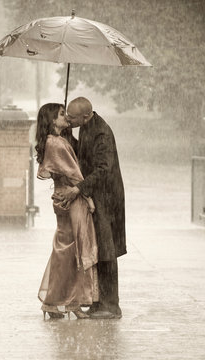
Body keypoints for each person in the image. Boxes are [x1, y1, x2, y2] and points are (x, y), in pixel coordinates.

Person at [59, 97, 126, 319]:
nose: (69, 120)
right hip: (96, 195)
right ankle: (98, 302)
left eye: (72, 117)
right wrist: (69, 137)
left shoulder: (102, 133)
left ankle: (111, 305)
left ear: (86, 116)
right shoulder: (87, 127)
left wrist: (79, 189)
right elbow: (85, 156)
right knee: (98, 247)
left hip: (107, 198)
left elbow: (103, 169)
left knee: (107, 249)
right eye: (66, 116)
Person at [35, 103, 99, 319]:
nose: (67, 118)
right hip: (71, 200)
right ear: (52, 120)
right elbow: (75, 175)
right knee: (74, 249)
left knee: (66, 250)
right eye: (62, 114)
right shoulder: (56, 143)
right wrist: (88, 197)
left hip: (63, 198)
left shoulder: (57, 141)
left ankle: (57, 303)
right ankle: (69, 303)